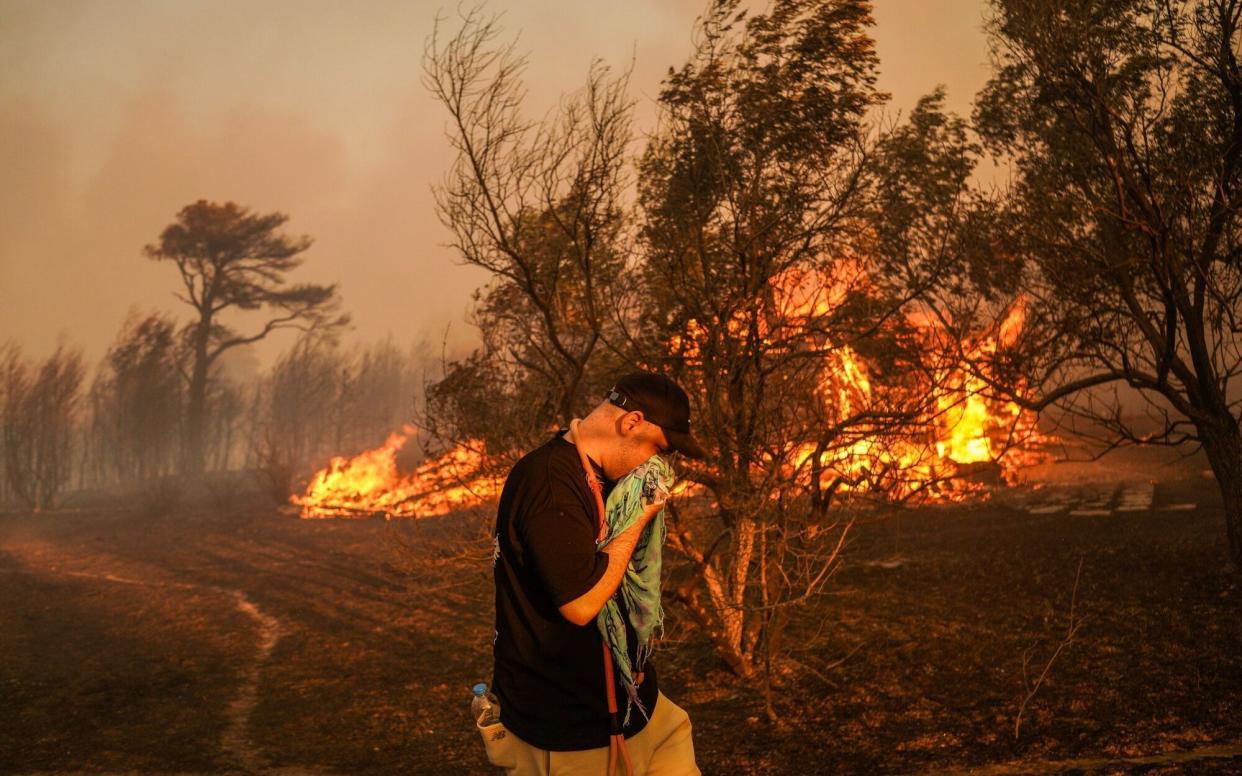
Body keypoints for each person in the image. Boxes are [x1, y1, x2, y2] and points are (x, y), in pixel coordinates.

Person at [483, 371, 705, 775]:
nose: (658, 463)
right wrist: (638, 518)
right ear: (631, 422)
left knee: (678, 737)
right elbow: (581, 603)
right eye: (659, 448)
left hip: (639, 706)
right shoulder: (550, 483)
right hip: (572, 729)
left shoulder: (608, 477)